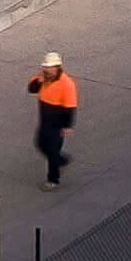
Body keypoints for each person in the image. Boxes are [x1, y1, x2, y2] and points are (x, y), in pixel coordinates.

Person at [28, 50, 78, 185]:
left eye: (49, 68)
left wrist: (67, 126)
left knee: (52, 150)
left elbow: (70, 106)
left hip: (58, 121)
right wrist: (39, 81)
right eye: (45, 67)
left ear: (57, 67)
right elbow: (31, 89)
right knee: (40, 144)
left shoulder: (66, 84)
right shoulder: (42, 77)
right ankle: (61, 161)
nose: (46, 70)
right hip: (44, 119)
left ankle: (53, 180)